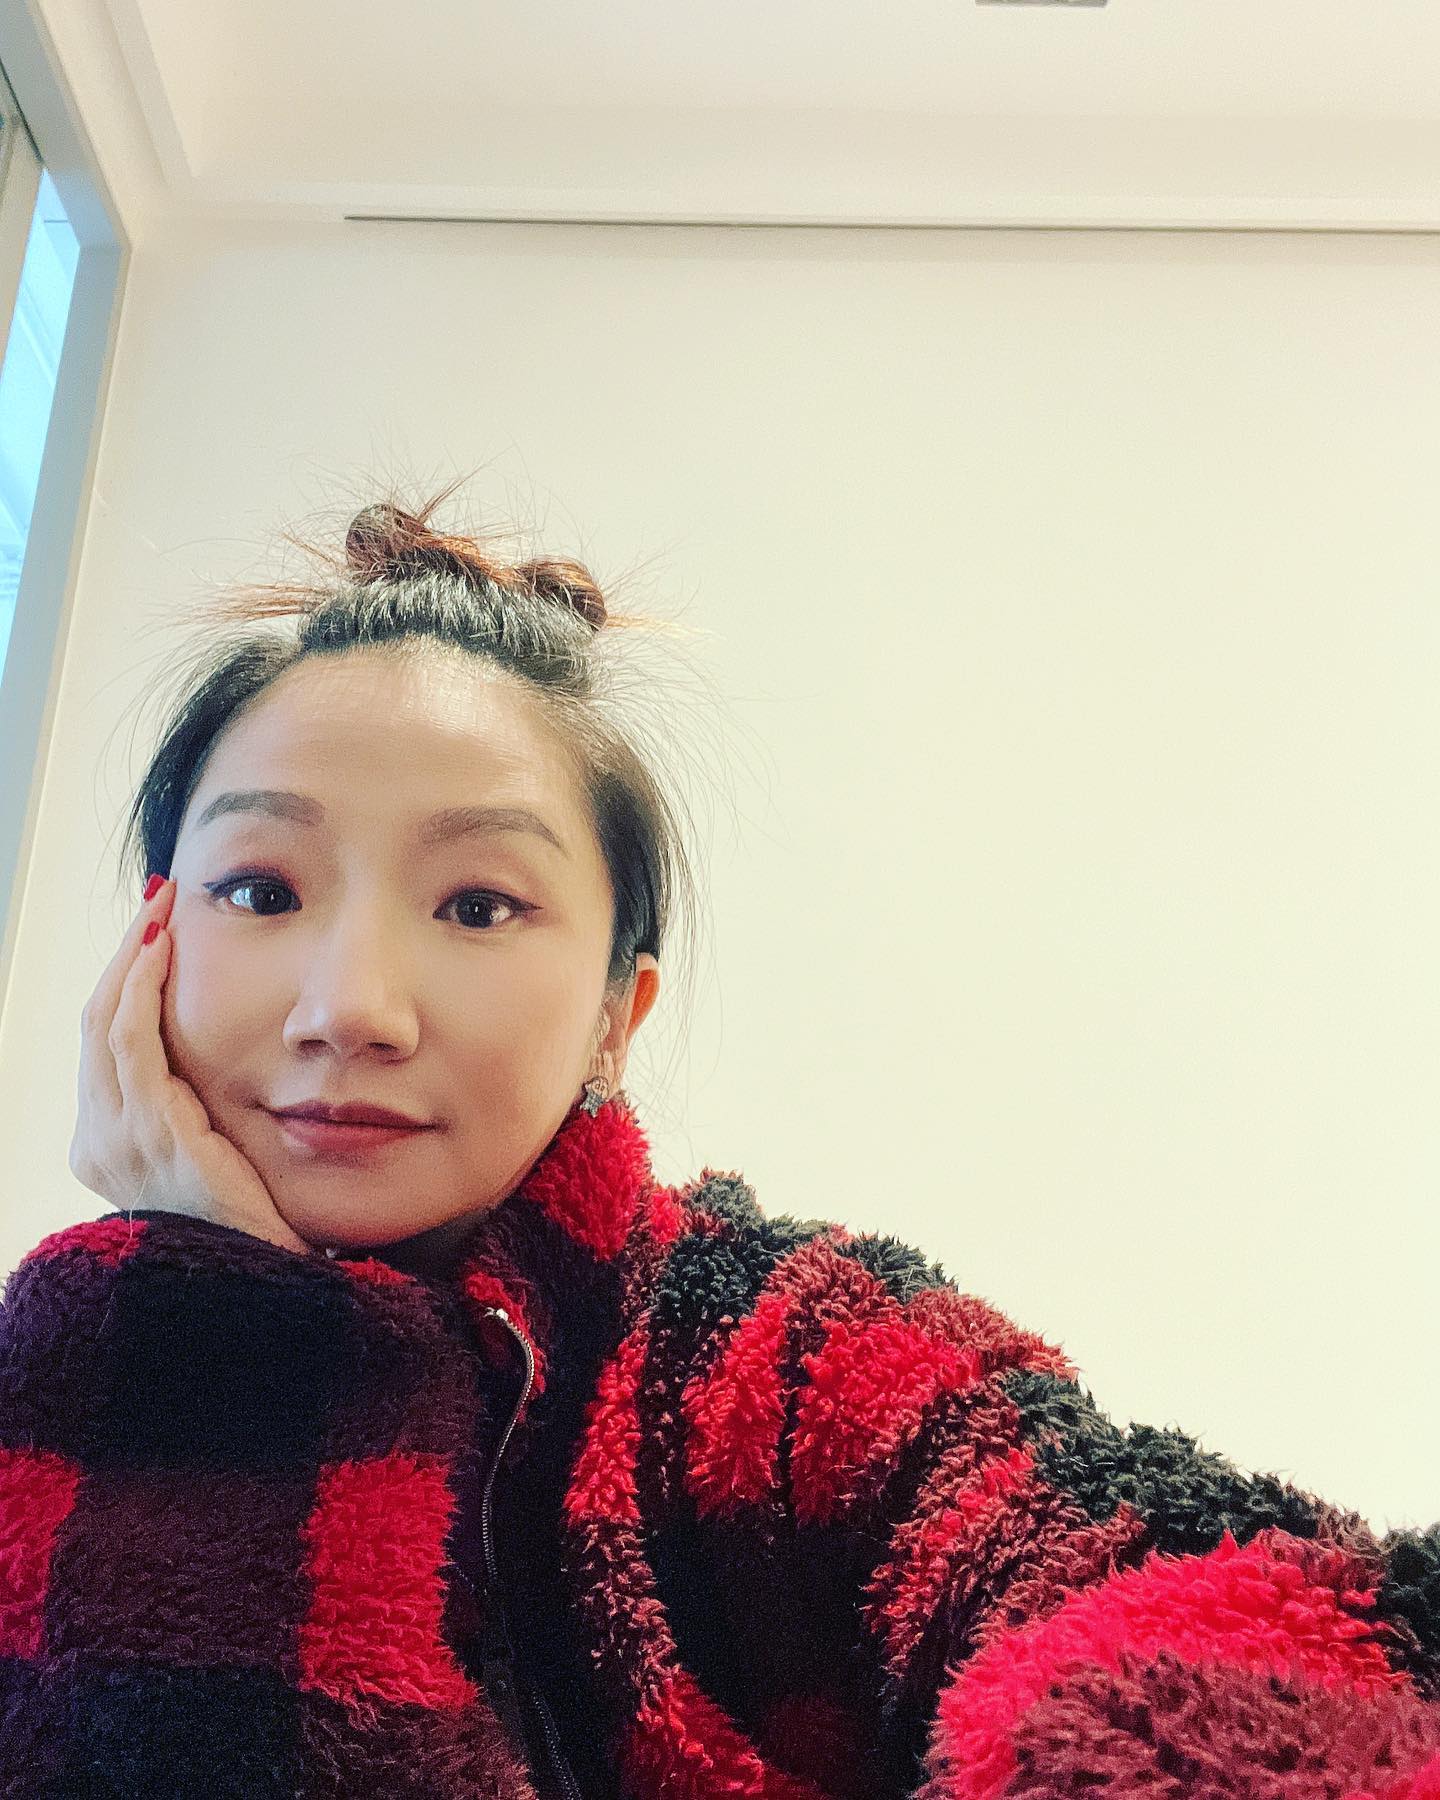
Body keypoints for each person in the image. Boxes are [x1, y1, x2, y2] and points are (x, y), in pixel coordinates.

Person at [1, 490, 1437, 1800]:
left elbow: (1235, 1618)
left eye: (480, 906)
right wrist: (222, 1331)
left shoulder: (789, 1353)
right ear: (150, 943)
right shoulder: (59, 1382)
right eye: (261, 889)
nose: (352, 1009)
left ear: (614, 1017)